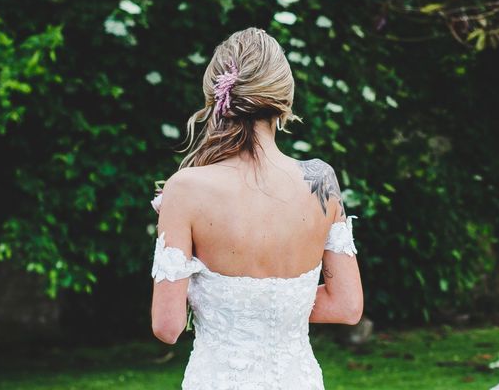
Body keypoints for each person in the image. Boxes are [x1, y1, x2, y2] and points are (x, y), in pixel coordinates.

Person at [150, 27, 363, 389]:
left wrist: (229, 307)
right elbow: (347, 306)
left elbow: (167, 327)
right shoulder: (321, 180)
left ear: (217, 97)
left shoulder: (185, 189)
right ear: (284, 98)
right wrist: (278, 308)